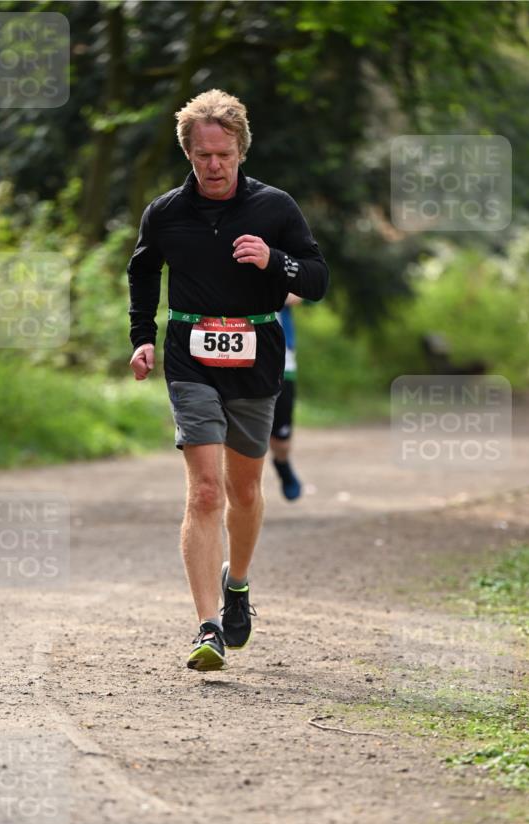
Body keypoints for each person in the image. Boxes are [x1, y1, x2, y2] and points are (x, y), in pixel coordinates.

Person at [127, 90, 328, 670]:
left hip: (256, 357)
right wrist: (142, 336)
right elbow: (142, 272)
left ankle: (236, 583)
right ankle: (207, 625)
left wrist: (275, 261)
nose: (213, 166)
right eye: (202, 156)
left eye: (224, 154)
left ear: (241, 149)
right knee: (206, 490)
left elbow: (316, 278)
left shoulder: (275, 208)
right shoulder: (165, 212)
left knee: (243, 491)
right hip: (190, 359)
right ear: (188, 153)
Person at [270, 293, 302, 500]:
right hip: (238, 356)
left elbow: (297, 294)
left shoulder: (281, 260)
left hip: (282, 360)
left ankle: (282, 464)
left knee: (281, 439)